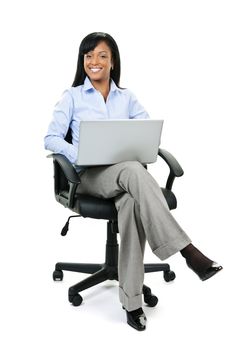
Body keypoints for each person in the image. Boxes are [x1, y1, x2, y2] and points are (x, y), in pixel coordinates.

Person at [44, 32, 222, 331]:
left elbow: (148, 136)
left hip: (128, 179)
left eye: (102, 55)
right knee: (132, 171)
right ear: (82, 61)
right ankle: (188, 251)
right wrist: (80, 152)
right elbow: (50, 138)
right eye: (88, 56)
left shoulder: (127, 98)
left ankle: (132, 302)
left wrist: (138, 145)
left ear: (112, 62)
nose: (94, 62)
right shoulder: (72, 96)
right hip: (89, 177)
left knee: (130, 202)